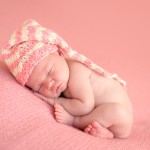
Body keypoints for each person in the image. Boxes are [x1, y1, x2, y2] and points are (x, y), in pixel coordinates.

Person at [2, 20, 133, 139]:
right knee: (108, 114)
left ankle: (76, 122)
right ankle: (106, 134)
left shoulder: (76, 70)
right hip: (105, 121)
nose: (49, 83)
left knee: (116, 111)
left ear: (59, 54)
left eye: (50, 71)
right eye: (40, 86)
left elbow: (85, 105)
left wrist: (55, 101)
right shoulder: (64, 78)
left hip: (121, 121)